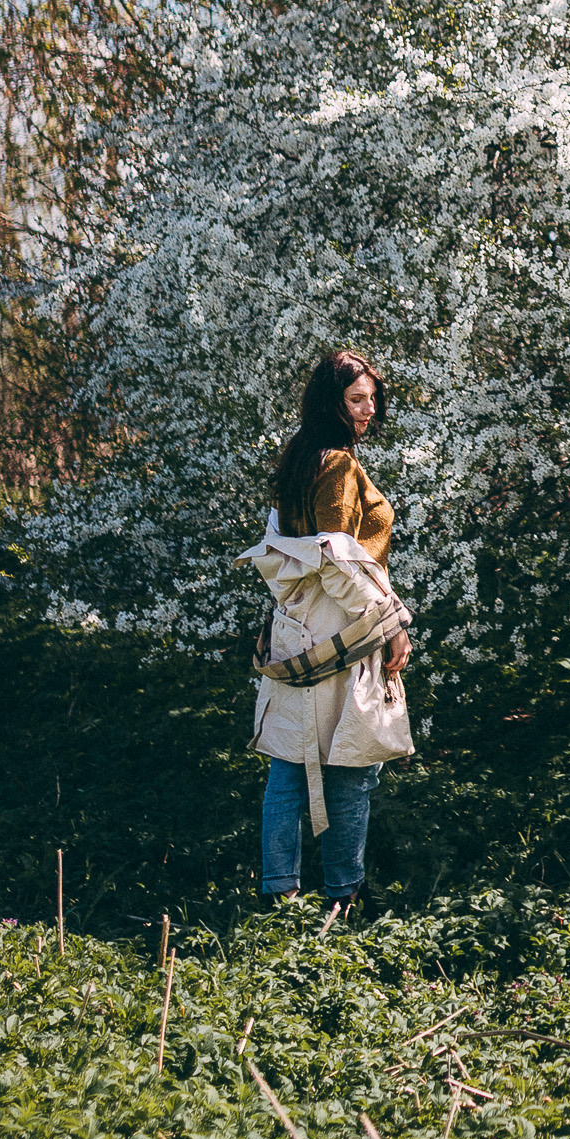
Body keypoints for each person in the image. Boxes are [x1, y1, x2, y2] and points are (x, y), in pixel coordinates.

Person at [240, 346, 415, 918]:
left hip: (297, 624)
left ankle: (282, 896)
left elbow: (285, 550)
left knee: (290, 763)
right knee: (352, 765)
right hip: (344, 627)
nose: (369, 409)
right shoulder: (336, 464)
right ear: (331, 403)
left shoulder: (299, 457)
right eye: (356, 399)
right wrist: (389, 624)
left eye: (372, 398)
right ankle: (344, 896)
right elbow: (336, 559)